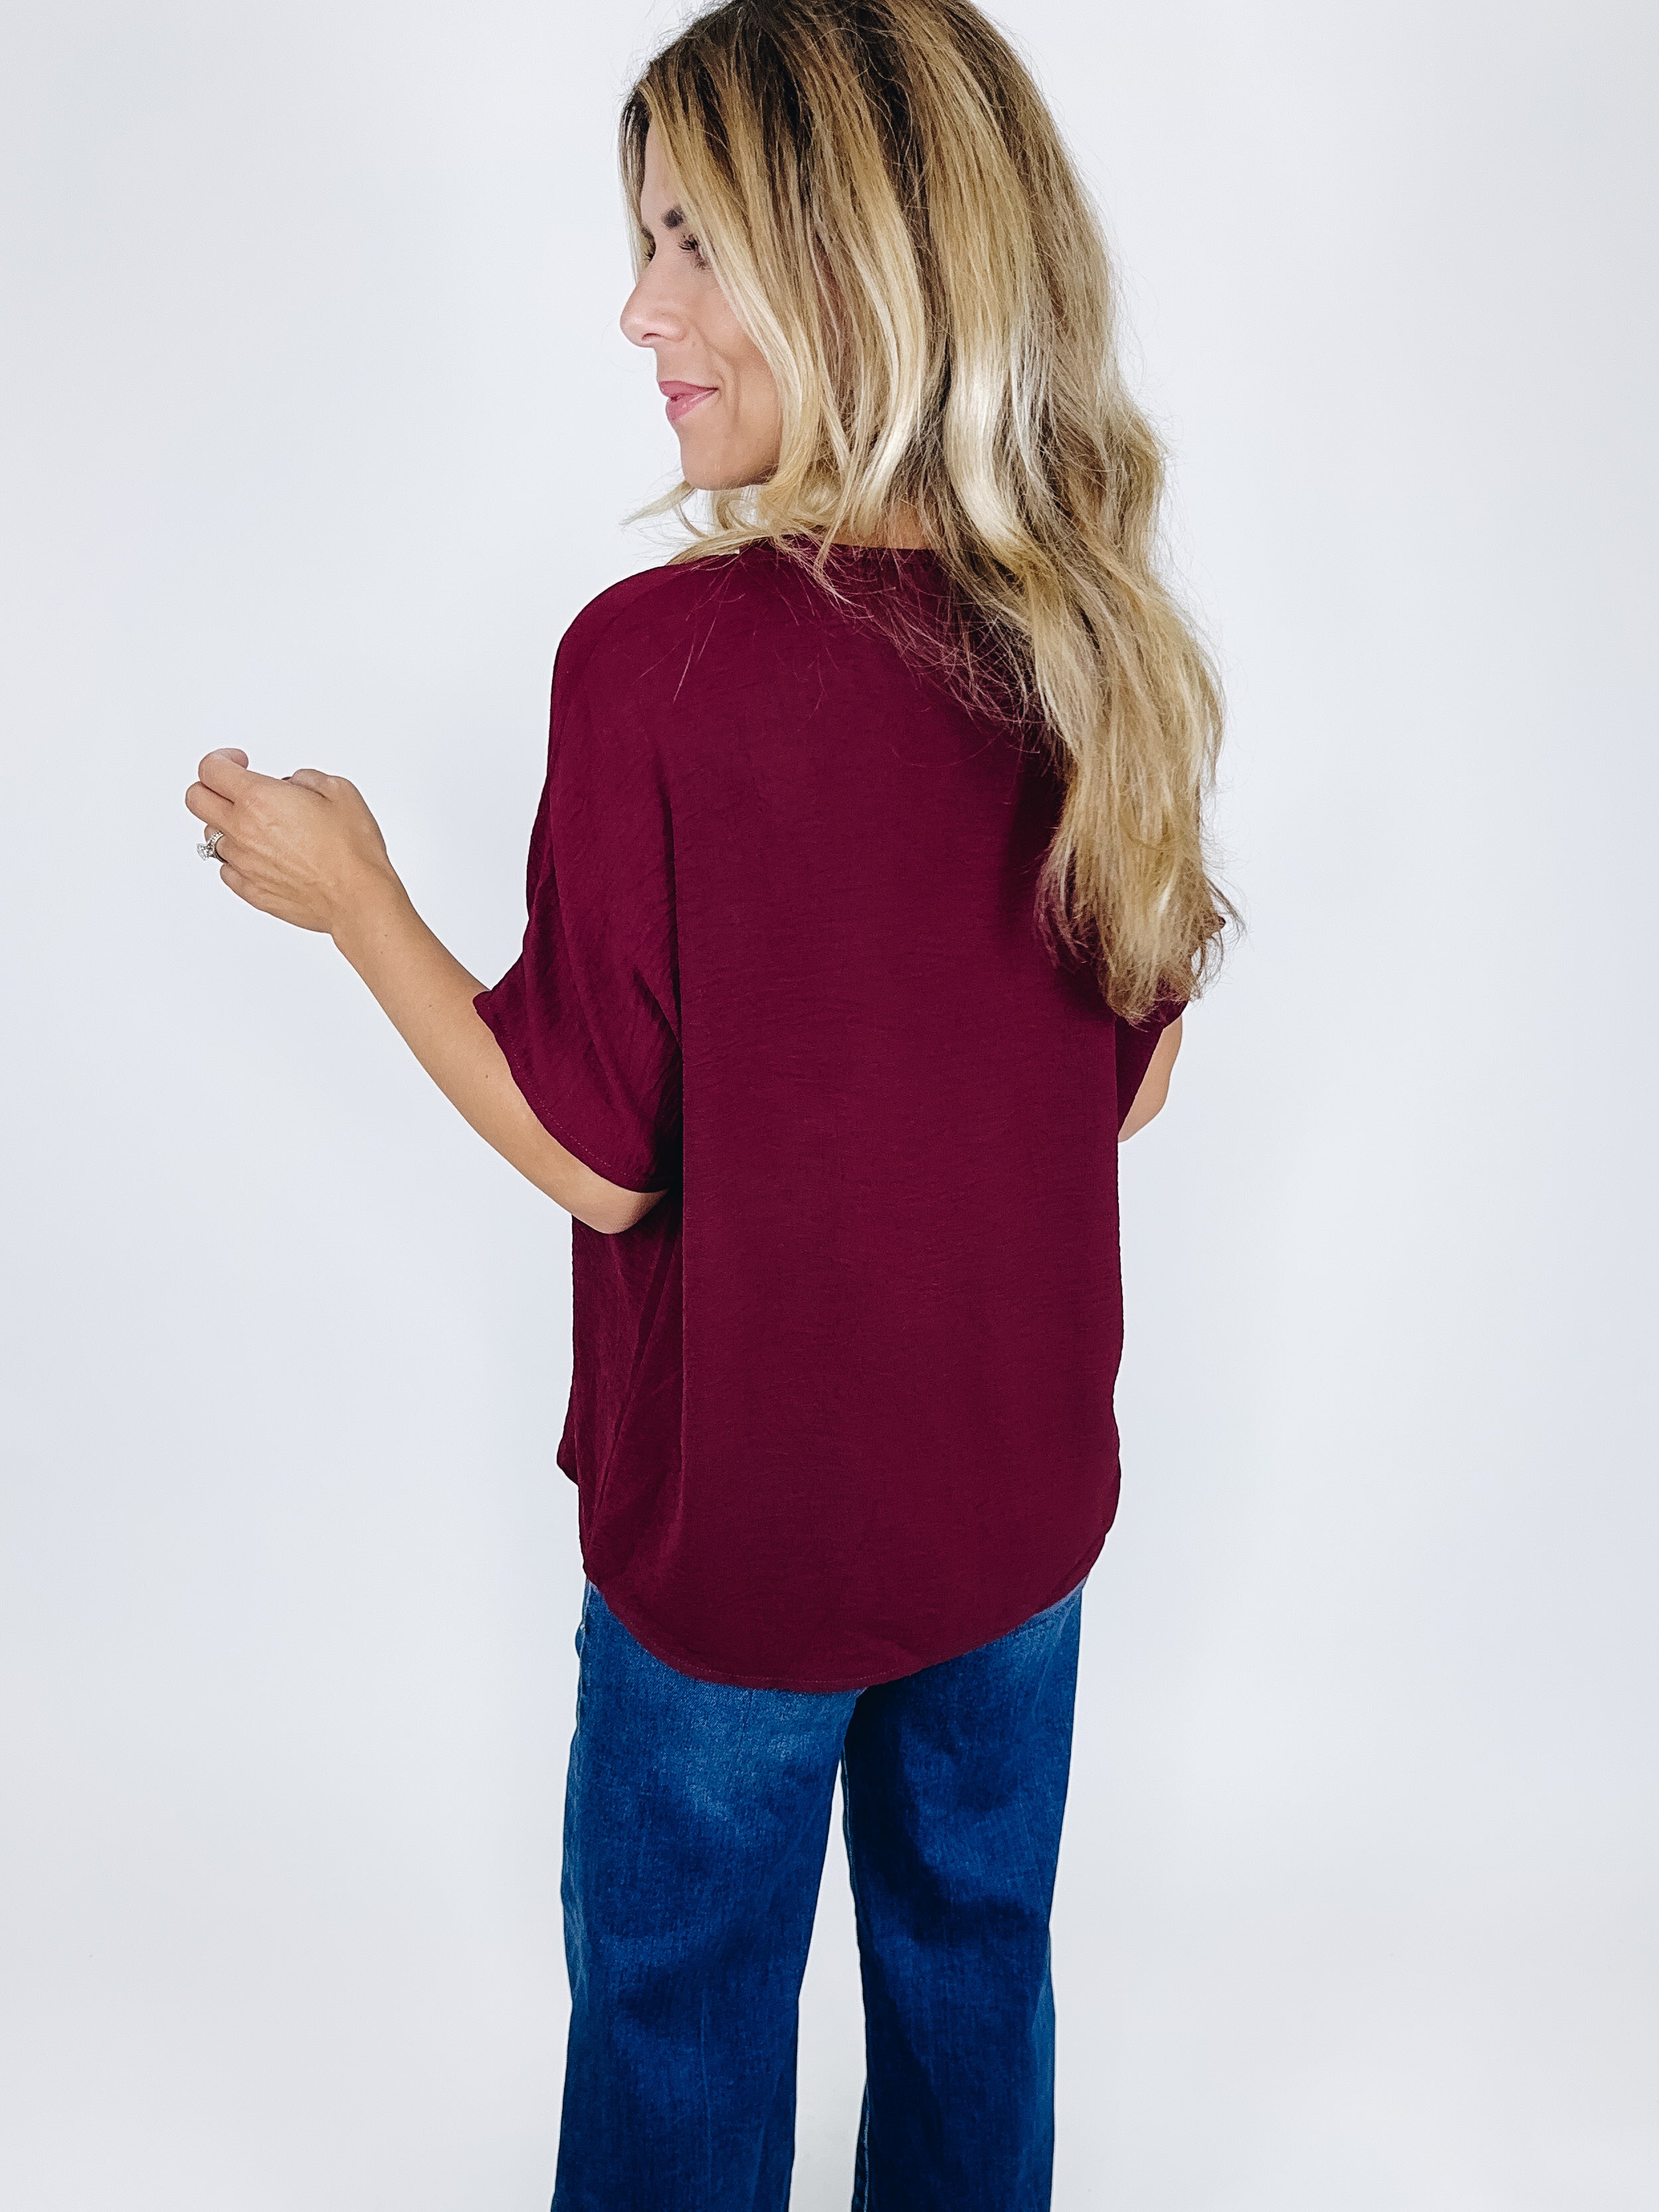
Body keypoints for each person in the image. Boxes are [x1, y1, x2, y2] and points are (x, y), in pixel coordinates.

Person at [184, 0, 1229, 2201]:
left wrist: (356, 895)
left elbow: (599, 1156)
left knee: (677, 2012)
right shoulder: (1092, 640)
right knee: (975, 1974)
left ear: (863, 267)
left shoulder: (653, 664)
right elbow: (1122, 1089)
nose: (637, 310)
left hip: (739, 1555)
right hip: (1018, 1524)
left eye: (690, 242)